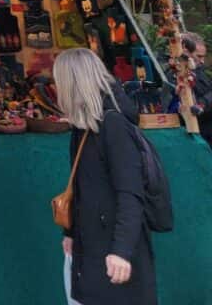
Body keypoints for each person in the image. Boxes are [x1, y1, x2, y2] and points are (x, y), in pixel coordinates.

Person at [53, 47, 157, 305]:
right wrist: (71, 231)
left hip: (113, 250)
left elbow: (131, 193)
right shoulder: (83, 127)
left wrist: (121, 250)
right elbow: (81, 186)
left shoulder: (113, 125)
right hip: (91, 247)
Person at [181, 32, 212, 146]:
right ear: (185, 52)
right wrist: (202, 104)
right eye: (199, 56)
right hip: (199, 134)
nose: (202, 61)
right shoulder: (178, 75)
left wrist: (203, 102)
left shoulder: (198, 71)